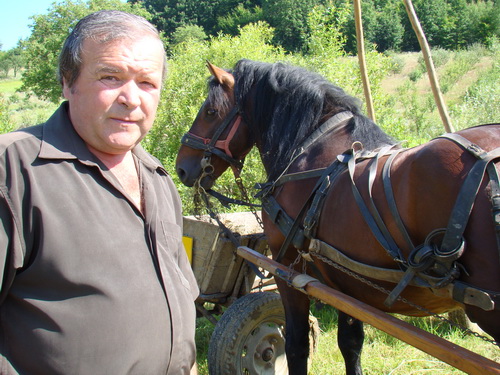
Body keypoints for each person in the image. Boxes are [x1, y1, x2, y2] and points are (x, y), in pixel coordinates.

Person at [0, 10, 199, 374]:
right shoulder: (12, 169)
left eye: (147, 83)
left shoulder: (158, 179)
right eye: (111, 77)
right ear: (67, 82)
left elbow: (182, 295)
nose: (131, 99)